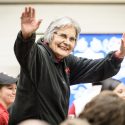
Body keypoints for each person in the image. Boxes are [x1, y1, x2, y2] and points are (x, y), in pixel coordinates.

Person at [8, 6, 125, 125]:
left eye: (72, 39)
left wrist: (119, 54)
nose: (67, 42)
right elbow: (25, 52)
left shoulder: (66, 61)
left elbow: (96, 68)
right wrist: (26, 36)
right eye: (63, 36)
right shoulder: (39, 55)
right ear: (50, 35)